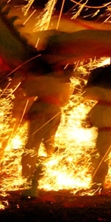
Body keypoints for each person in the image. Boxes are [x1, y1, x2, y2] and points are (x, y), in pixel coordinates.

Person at [19, 60, 73, 199]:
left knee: (33, 146)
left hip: (42, 110)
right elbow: (65, 100)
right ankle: (34, 181)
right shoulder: (64, 80)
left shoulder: (40, 76)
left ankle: (30, 182)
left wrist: (27, 78)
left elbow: (27, 91)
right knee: (46, 146)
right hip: (53, 110)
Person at [83, 59, 111, 193]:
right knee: (102, 155)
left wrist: (89, 121)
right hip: (110, 127)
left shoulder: (103, 101)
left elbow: (91, 118)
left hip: (107, 128)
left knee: (101, 155)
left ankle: (97, 183)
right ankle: (97, 182)